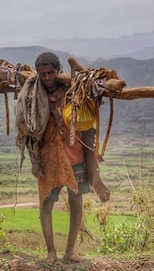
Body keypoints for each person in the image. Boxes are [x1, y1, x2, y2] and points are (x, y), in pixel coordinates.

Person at [15, 52, 109, 263]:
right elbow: (27, 128)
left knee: (76, 202)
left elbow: (88, 101)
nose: (48, 77)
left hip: (75, 156)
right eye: (43, 73)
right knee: (46, 204)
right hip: (47, 159)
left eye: (51, 73)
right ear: (38, 74)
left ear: (59, 73)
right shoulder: (32, 95)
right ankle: (51, 252)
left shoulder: (73, 92)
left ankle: (69, 252)